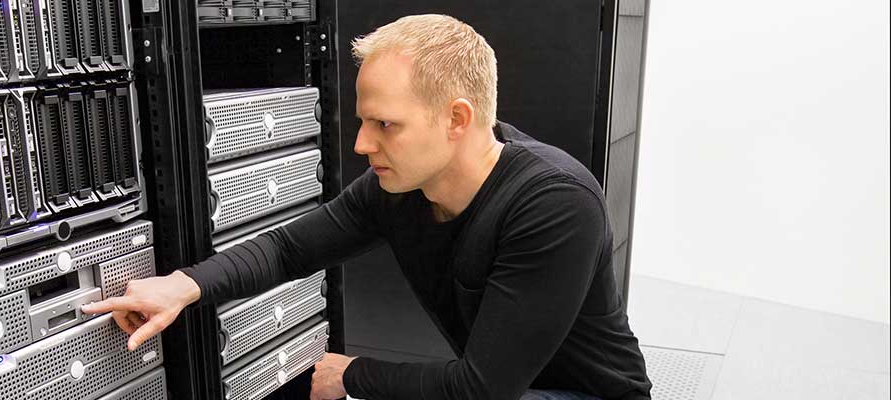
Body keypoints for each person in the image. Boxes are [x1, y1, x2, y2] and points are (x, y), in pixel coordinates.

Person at [81, 14, 652, 400]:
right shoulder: (398, 189)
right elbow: (288, 249)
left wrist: (351, 374)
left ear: (456, 119)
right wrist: (181, 286)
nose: (361, 144)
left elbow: (482, 389)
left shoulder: (553, 204)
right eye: (363, 121)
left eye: (385, 124)